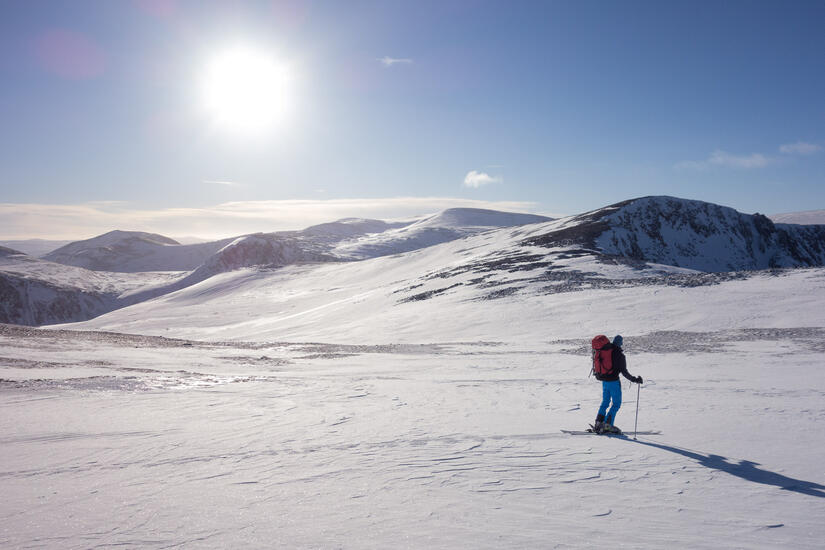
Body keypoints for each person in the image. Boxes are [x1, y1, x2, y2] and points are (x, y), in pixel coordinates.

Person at [593, 335, 642, 434]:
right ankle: (608, 425)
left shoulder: (605, 351)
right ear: (620, 343)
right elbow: (624, 372)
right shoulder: (619, 355)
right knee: (616, 404)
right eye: (621, 342)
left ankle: (599, 423)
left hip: (604, 381)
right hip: (614, 382)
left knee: (605, 402)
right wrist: (634, 379)